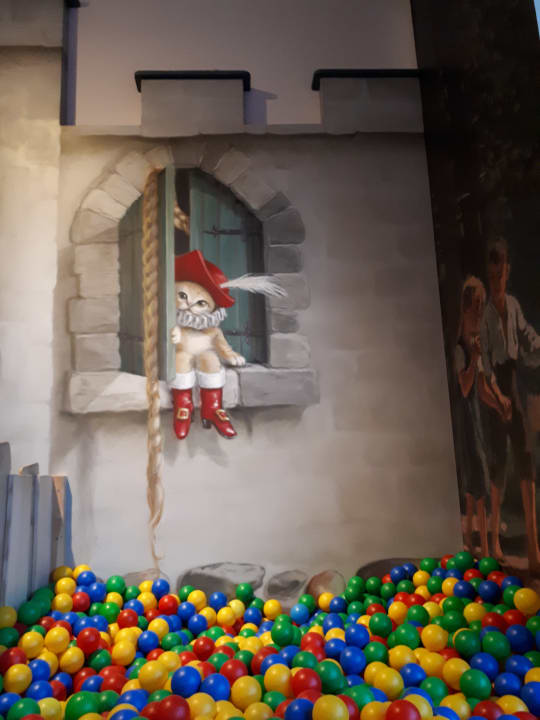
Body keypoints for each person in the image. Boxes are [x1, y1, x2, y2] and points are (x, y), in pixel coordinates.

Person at [480, 238, 540, 570]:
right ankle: (494, 539)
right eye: (492, 276)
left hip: (513, 384)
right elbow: (486, 363)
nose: (497, 282)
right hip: (495, 391)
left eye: (501, 275)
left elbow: (528, 336)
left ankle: (533, 541)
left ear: (508, 272)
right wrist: (497, 396)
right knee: (499, 464)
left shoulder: (513, 306)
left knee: (525, 457)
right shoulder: (486, 315)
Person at [454, 276, 500, 556]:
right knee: (478, 481)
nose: (480, 311)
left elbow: (481, 387)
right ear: (466, 307)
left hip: (478, 419)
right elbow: (465, 386)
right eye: (476, 305)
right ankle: (481, 546)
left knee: (477, 482)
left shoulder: (474, 345)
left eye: (482, 304)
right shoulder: (461, 348)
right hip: (466, 420)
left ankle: (474, 544)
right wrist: (473, 357)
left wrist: (499, 404)